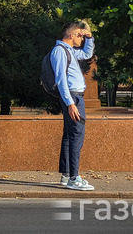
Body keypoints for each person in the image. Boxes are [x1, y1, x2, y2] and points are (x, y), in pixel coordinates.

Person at [51, 21, 95, 191]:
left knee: (70, 136)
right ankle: (74, 178)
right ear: (71, 35)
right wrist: (70, 103)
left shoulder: (68, 51)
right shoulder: (60, 51)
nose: (81, 38)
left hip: (74, 97)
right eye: (80, 35)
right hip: (73, 97)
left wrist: (90, 37)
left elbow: (87, 53)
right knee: (77, 135)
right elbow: (61, 80)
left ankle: (67, 174)